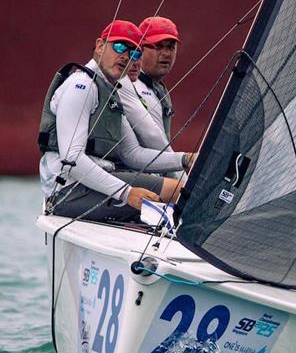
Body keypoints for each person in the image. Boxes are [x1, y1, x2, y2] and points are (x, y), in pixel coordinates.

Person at [37, 20, 187, 222]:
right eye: (119, 47)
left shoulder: (110, 91)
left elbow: (132, 154)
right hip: (67, 191)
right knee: (179, 193)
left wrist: (186, 159)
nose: (126, 57)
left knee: (181, 192)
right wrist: (127, 193)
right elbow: (71, 159)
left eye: (134, 53)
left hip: (92, 183)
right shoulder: (81, 86)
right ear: (100, 46)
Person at [117, 17, 194, 174]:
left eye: (171, 47)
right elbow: (153, 139)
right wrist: (182, 180)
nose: (166, 53)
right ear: (140, 49)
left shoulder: (155, 88)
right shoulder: (128, 83)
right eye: (158, 46)